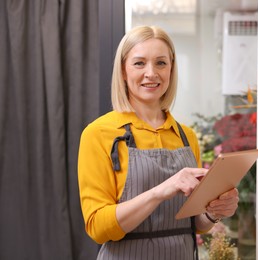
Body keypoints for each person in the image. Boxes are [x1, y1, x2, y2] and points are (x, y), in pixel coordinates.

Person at [78, 25, 239, 260]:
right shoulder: (99, 133)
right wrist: (161, 191)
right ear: (123, 70)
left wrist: (214, 213)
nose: (151, 73)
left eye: (161, 63)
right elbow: (98, 227)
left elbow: (194, 223)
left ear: (171, 69)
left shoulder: (186, 136)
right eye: (139, 63)